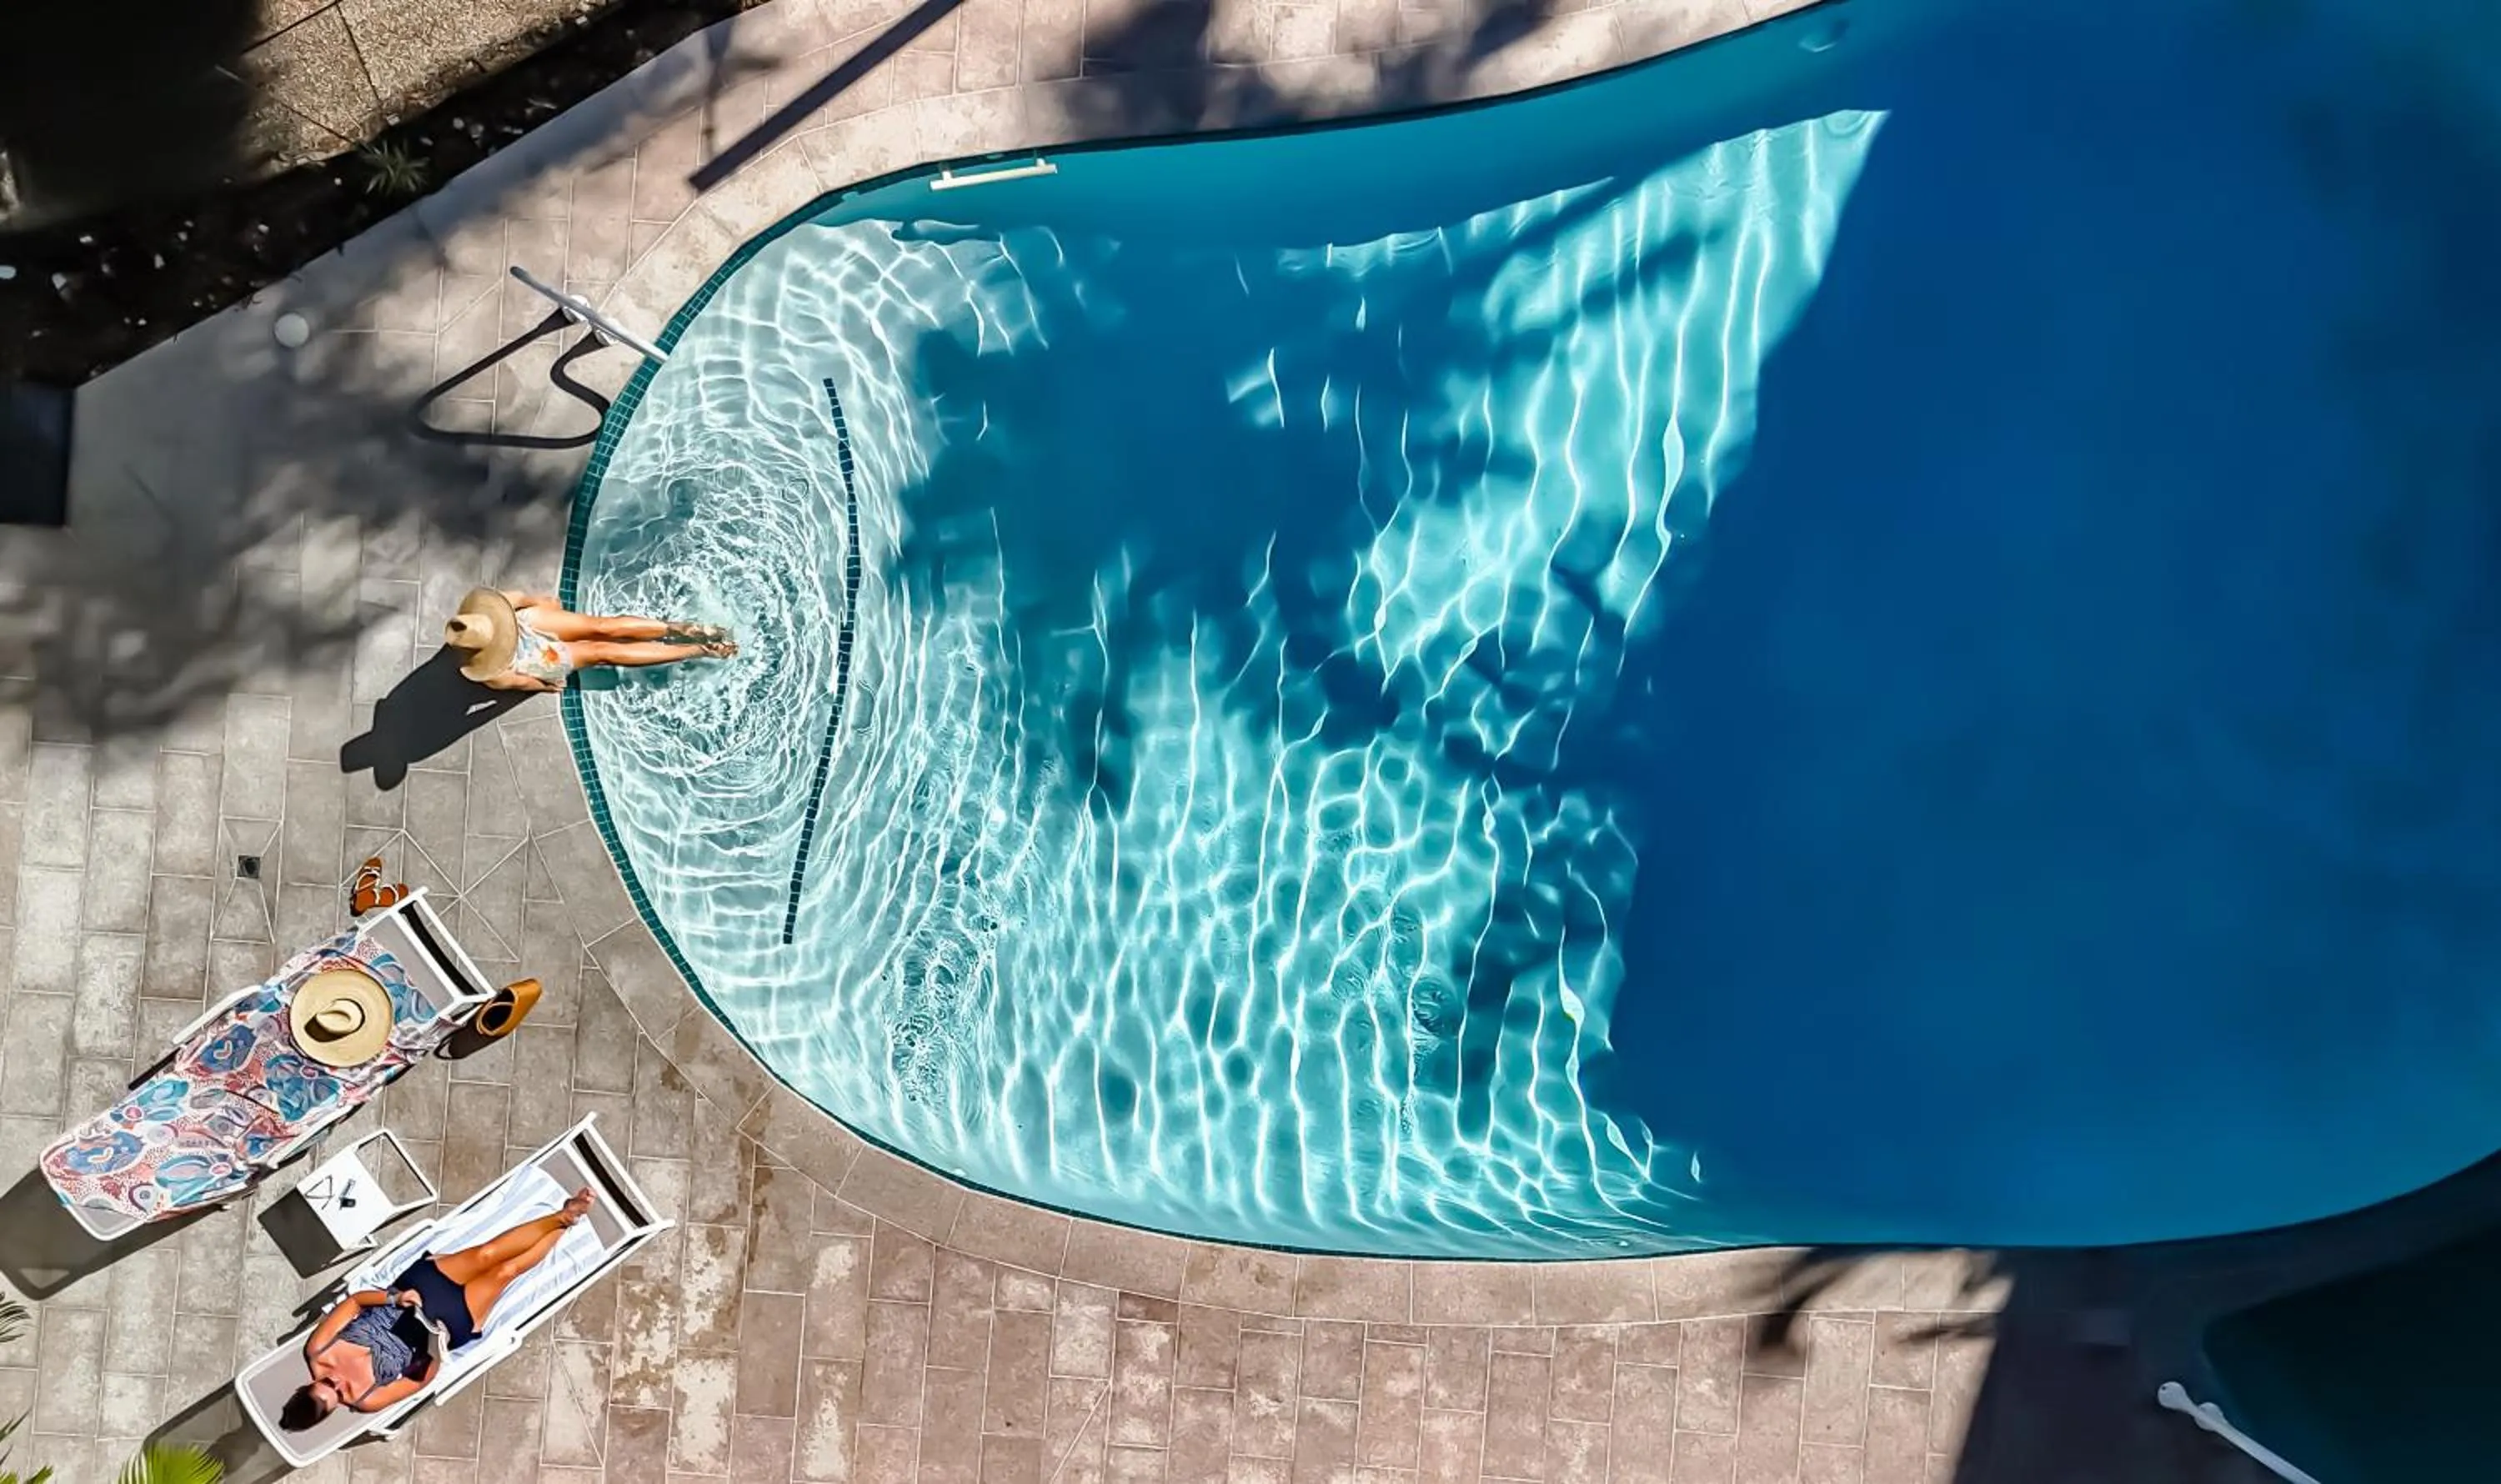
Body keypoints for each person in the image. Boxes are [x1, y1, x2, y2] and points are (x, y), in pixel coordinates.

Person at [278, 1189, 594, 1427]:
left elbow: (354, 1301)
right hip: (441, 1329)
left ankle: (564, 1217)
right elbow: (421, 1380)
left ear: (310, 1383)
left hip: (409, 1295)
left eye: (329, 1384)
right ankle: (565, 1227)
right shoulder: (367, 1400)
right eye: (338, 1395)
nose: (339, 1384)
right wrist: (437, 1347)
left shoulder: (319, 1350)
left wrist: (393, 1299)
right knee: (504, 1273)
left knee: (487, 1254)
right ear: (334, 1410)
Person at [443, 588, 735, 693]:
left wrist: (545, 686)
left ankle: (698, 649)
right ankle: (695, 636)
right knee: (603, 634)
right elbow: (517, 597)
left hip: (529, 645)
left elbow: (524, 683)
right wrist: (541, 602)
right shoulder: (485, 614)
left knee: (600, 648)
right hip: (527, 650)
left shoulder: (490, 673)